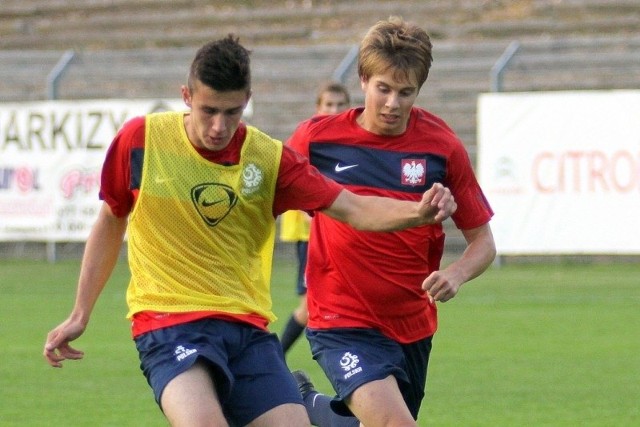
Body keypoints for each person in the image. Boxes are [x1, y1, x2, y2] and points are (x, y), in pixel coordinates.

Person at [42, 34, 457, 427]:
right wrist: (81, 312)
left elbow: (351, 206)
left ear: (248, 102)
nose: (220, 127)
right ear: (187, 97)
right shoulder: (141, 140)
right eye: (209, 111)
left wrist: (419, 212)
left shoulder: (270, 159)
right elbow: (112, 218)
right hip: (168, 321)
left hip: (247, 329)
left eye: (232, 112)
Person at [287, 17, 496, 427]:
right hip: (340, 318)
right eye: (383, 88)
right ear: (363, 80)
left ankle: (308, 410)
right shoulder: (317, 140)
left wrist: (456, 273)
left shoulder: (442, 146)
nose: (392, 104)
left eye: (406, 93)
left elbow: (483, 242)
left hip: (411, 324)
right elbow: (265, 201)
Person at [279, 81, 351, 355]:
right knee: (310, 306)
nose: (334, 110)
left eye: (340, 105)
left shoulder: (350, 142)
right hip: (311, 236)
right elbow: (286, 177)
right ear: (317, 108)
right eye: (328, 105)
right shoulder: (307, 138)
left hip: (340, 233)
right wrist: (305, 212)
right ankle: (276, 354)